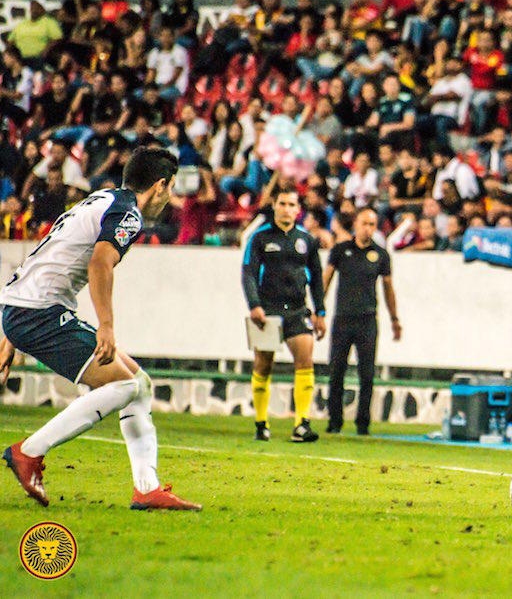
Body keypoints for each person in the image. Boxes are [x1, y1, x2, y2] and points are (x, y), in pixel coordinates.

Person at [0, 147, 201, 511]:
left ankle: (148, 488)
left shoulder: (104, 198)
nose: (169, 198)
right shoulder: (128, 213)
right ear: (159, 185)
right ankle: (28, 452)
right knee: (123, 385)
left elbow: (47, 253)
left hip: (27, 307)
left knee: (139, 383)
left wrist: (9, 331)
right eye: (170, 188)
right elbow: (99, 264)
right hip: (38, 312)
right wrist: (106, 326)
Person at [241, 187, 327, 443]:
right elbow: (248, 274)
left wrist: (320, 311)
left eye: (292, 204)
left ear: (298, 209)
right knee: (263, 365)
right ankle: (261, 422)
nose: (287, 209)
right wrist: (254, 305)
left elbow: (317, 279)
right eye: (282, 204)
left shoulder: (307, 240)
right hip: (267, 311)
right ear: (275, 206)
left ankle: (301, 423)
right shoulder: (259, 238)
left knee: (305, 361)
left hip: (297, 309)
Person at [322, 208, 401, 435]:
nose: (368, 228)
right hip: (343, 318)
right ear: (356, 224)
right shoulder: (340, 251)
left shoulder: (381, 255)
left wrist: (394, 318)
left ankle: (363, 423)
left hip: (367, 320)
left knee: (366, 374)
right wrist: (319, 309)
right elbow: (326, 279)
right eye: (365, 223)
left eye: (373, 224)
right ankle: (334, 420)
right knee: (337, 370)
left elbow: (388, 288)